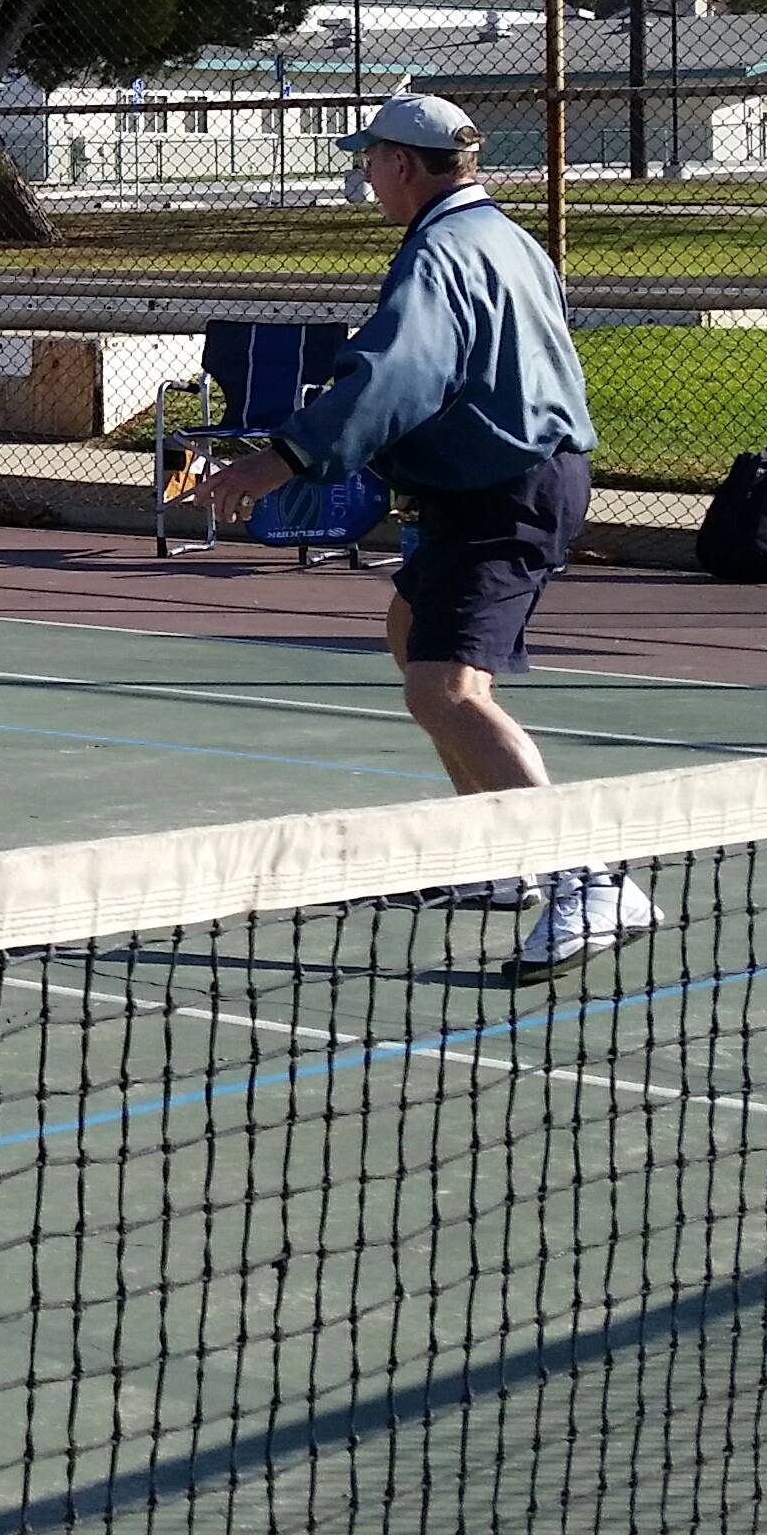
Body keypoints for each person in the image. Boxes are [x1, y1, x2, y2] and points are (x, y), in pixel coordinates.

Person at [195, 88, 640, 978]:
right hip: (498, 482)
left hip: (503, 491)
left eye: (371, 161)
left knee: (443, 690)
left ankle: (589, 878)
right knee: (409, 634)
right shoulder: (508, 238)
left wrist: (279, 461)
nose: (366, 176)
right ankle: (496, 851)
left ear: (401, 166)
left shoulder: (439, 256)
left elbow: (395, 376)